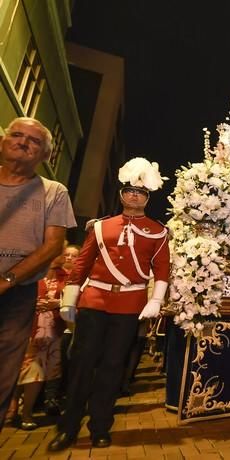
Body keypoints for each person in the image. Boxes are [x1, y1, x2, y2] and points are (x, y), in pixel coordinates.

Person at [48, 157, 170, 451]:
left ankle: (100, 426)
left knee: (112, 367)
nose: (134, 196)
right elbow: (82, 265)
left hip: (129, 306)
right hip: (94, 301)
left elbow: (163, 270)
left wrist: (156, 299)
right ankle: (68, 427)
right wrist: (70, 298)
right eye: (129, 191)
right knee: (81, 364)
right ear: (121, 195)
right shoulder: (101, 227)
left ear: (147, 198)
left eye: (140, 193)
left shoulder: (158, 232)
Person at [0, 117, 77, 433]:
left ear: (45, 154)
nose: (22, 142)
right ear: (4, 141)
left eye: (33, 141)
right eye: (16, 135)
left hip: (18, 293)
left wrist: (7, 281)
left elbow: (51, 246)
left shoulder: (53, 191)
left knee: (5, 370)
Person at [8, 245, 80, 430]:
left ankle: (23, 410)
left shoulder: (66, 277)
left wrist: (59, 303)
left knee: (37, 375)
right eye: (61, 253)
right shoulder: (30, 273)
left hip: (53, 332)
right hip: (28, 330)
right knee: (27, 372)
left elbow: (75, 301)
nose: (64, 257)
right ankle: (20, 410)